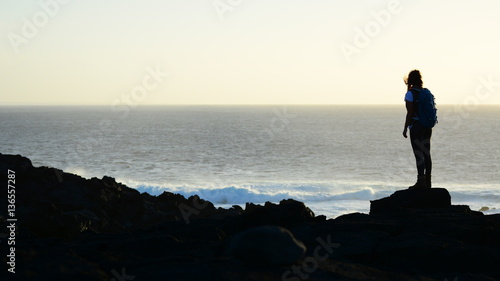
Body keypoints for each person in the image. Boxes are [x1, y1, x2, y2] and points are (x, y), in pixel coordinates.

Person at [402, 70, 432, 189]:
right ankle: (428, 181)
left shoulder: (410, 93)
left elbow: (410, 113)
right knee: (427, 153)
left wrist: (405, 128)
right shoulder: (424, 92)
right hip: (427, 126)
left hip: (416, 127)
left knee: (418, 154)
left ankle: (420, 182)